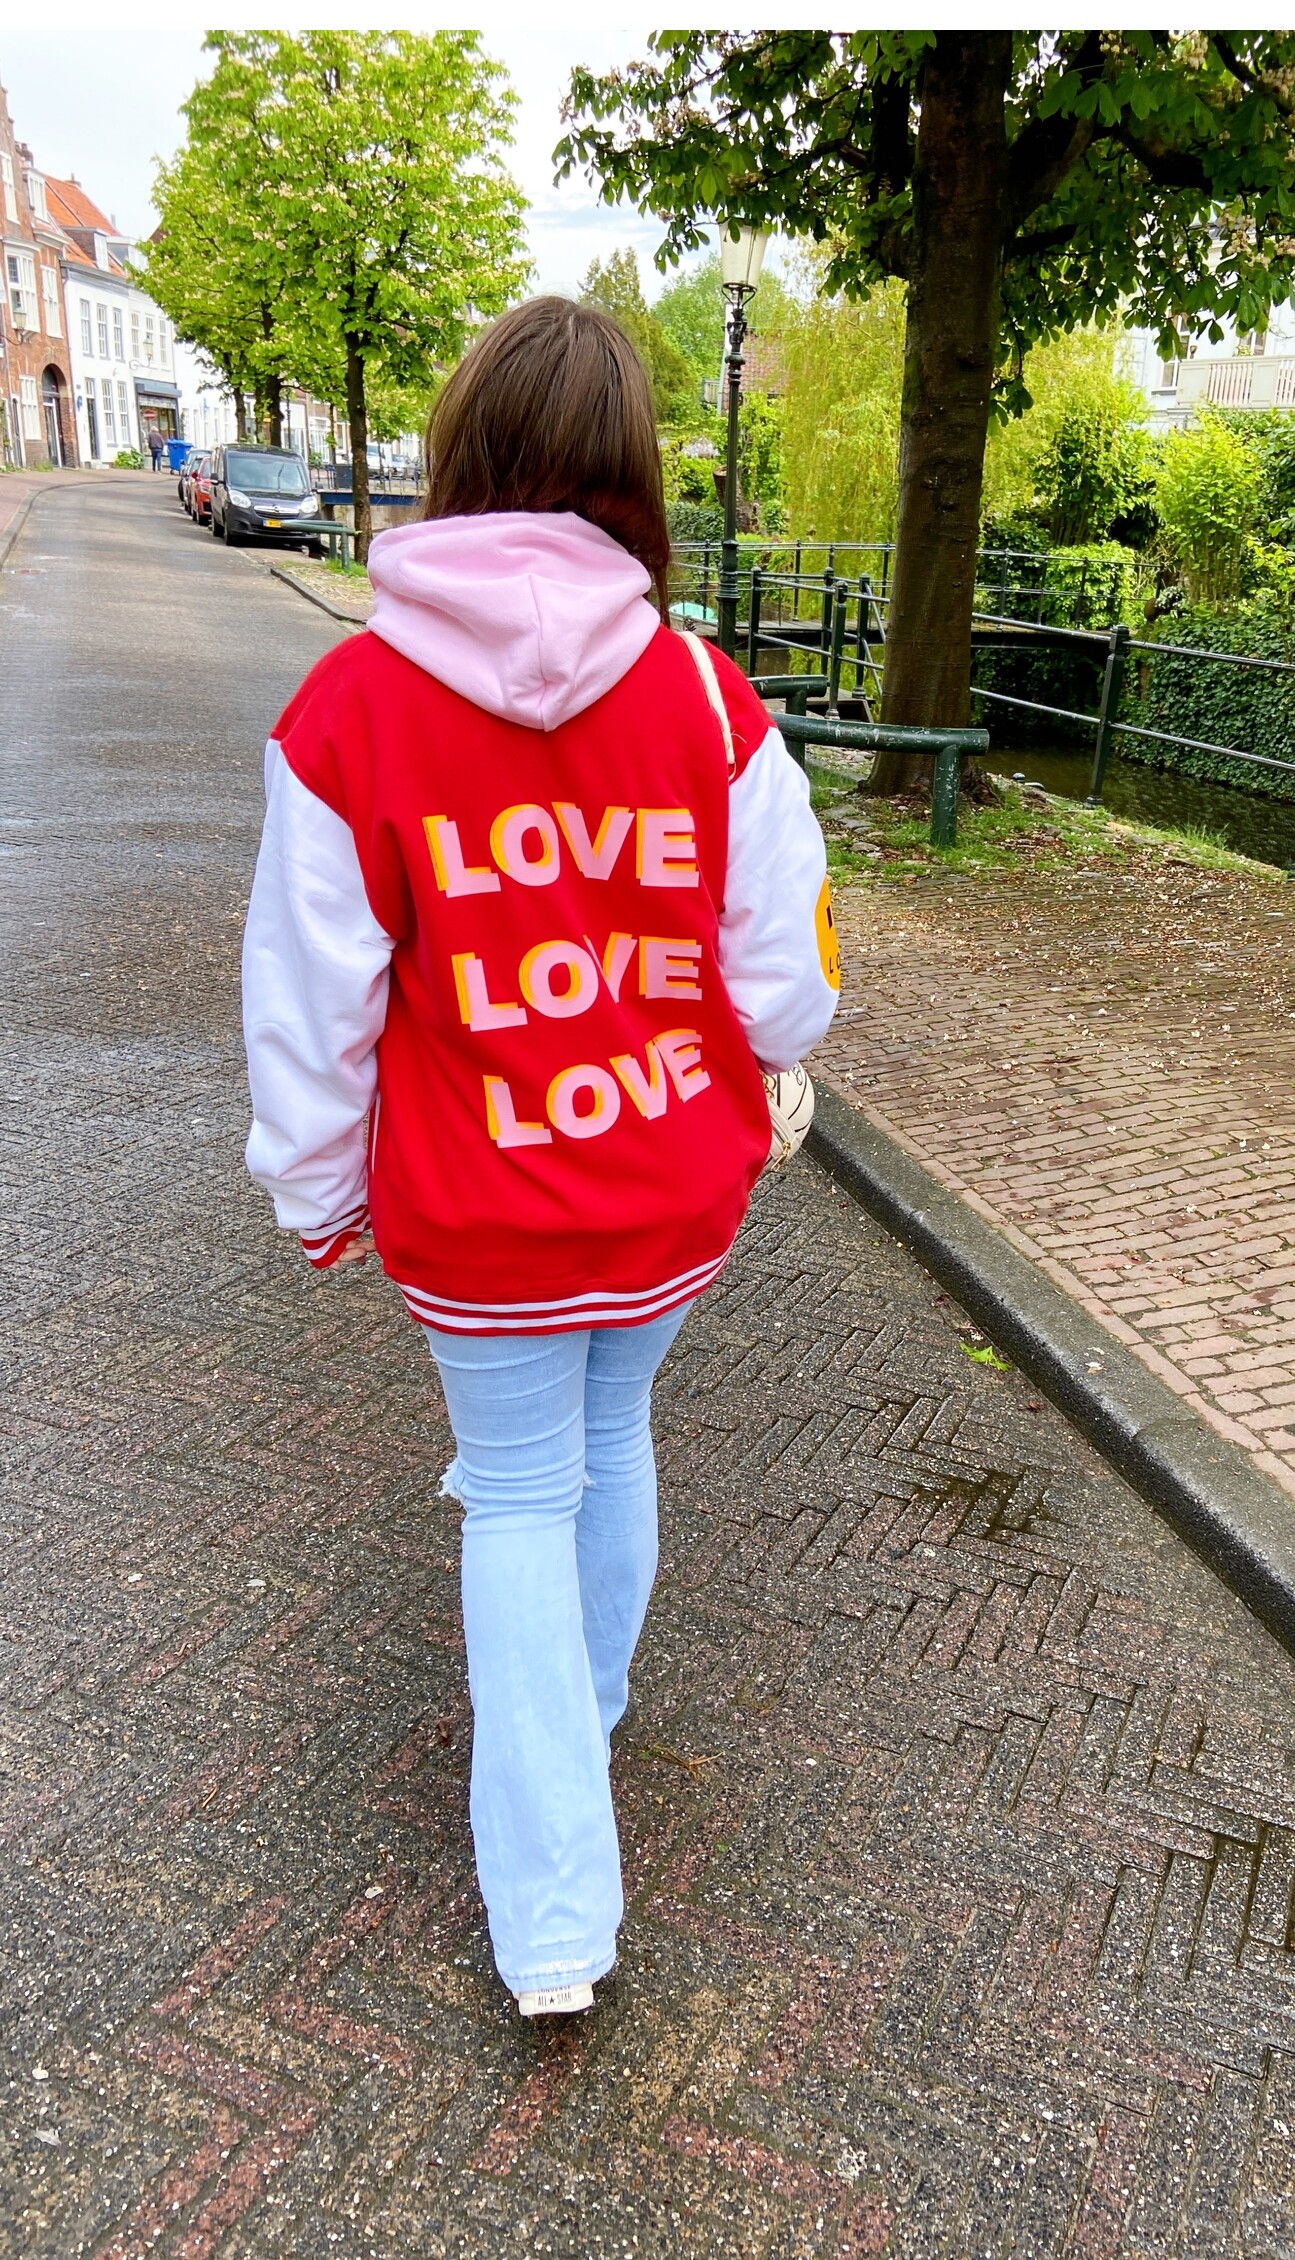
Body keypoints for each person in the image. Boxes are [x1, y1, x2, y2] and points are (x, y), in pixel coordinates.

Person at [241, 298, 839, 2017]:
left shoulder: (349, 710)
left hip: (480, 1209)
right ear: (634, 480)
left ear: (457, 455)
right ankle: (583, 1711)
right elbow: (782, 980)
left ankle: (556, 1920)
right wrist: (764, 1064)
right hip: (665, 1191)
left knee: (516, 1484)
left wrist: (316, 1190)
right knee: (613, 1431)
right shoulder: (714, 704)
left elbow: (305, 999)